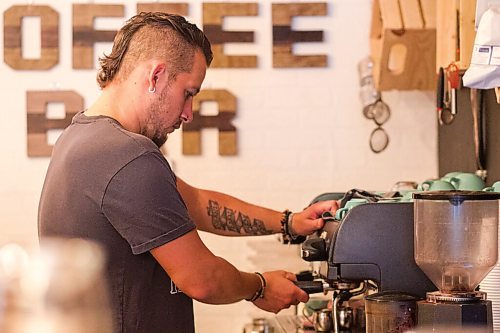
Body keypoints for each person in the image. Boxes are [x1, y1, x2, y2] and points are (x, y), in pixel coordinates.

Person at [38, 12, 338, 332]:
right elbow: (202, 279)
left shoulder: (80, 138)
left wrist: (289, 221)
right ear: (156, 76)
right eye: (189, 93)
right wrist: (260, 286)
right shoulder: (128, 156)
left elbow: (194, 203)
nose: (188, 114)